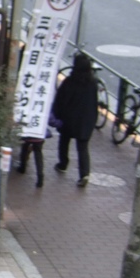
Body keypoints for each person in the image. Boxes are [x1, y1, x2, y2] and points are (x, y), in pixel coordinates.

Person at [52, 52, 99, 188]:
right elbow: (95, 102)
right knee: (83, 147)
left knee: (64, 140)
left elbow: (60, 100)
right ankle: (84, 174)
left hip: (69, 118)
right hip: (86, 120)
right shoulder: (92, 83)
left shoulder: (70, 81)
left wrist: (57, 115)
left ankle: (63, 164)